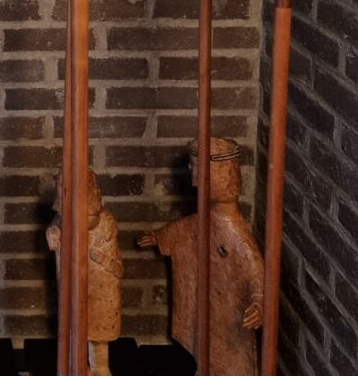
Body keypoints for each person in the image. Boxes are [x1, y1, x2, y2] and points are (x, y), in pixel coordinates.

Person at [138, 138, 263, 376]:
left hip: (228, 317)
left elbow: (254, 268)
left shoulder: (234, 231)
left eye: (196, 167)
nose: (191, 174)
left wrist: (258, 302)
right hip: (212, 309)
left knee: (227, 357)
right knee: (206, 347)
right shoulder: (210, 219)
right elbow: (191, 227)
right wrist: (161, 236)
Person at [48, 167, 122, 374]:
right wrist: (53, 233)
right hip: (74, 281)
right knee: (74, 325)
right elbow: (57, 227)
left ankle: (100, 367)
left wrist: (102, 259)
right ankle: (76, 365)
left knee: (98, 330)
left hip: (100, 284)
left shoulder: (105, 221)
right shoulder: (62, 220)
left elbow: (113, 258)